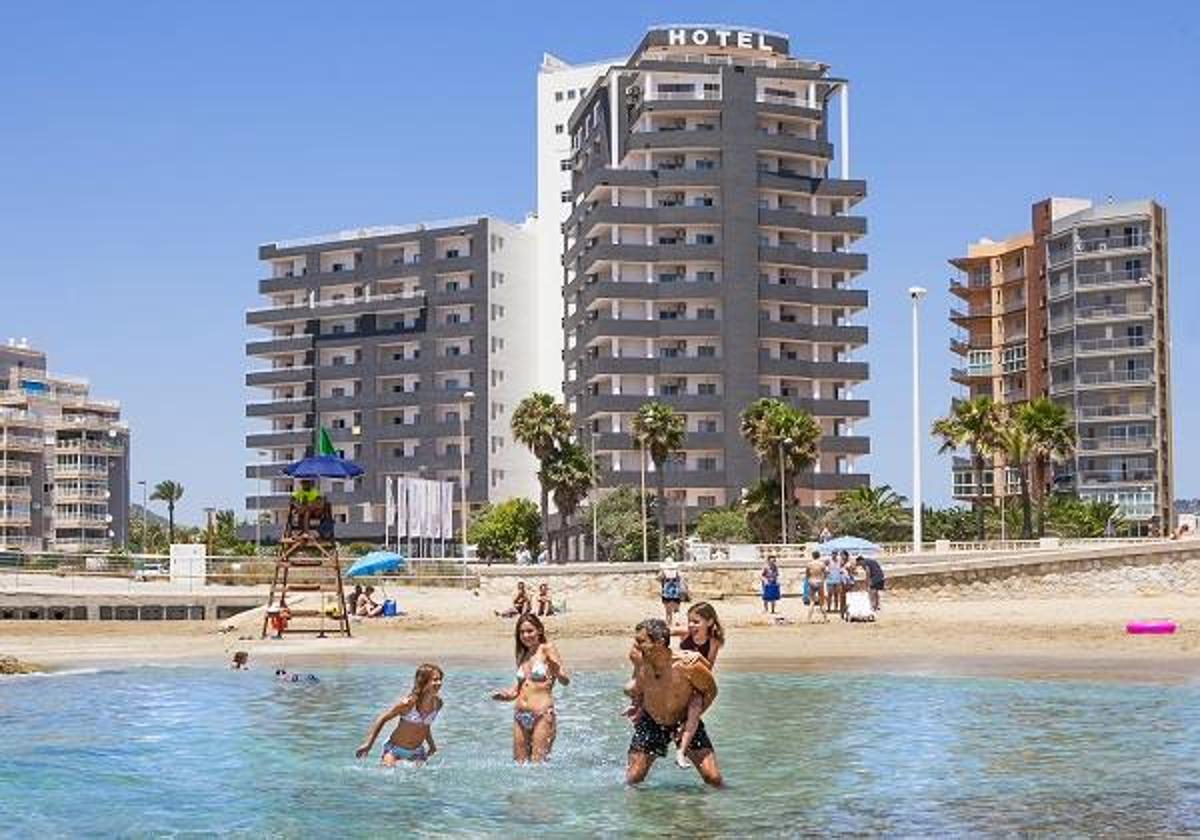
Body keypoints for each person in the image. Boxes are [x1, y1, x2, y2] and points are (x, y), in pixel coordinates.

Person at [625, 617, 721, 787]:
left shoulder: (687, 666)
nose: (636, 645)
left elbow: (711, 690)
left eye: (641, 641)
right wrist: (636, 701)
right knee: (633, 779)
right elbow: (638, 683)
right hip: (651, 721)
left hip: (682, 720)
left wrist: (692, 719)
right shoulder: (639, 658)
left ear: (660, 642)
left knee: (713, 779)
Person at [490, 614, 569, 763]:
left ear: (539, 630)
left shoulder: (547, 649)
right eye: (522, 632)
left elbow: (565, 681)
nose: (526, 635)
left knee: (537, 767)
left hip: (542, 715)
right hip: (519, 715)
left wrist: (556, 669)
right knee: (518, 766)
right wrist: (505, 695)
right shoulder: (522, 655)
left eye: (530, 631)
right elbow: (517, 690)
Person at [671, 602, 725, 768]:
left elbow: (709, 668)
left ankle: (681, 751)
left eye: (696, 621)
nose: (692, 625)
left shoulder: (713, 641)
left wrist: (698, 657)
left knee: (694, 710)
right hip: (678, 680)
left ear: (709, 622)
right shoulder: (685, 633)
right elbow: (663, 633)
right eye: (690, 621)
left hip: (696, 685)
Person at [356, 663, 443, 766]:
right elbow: (383, 718)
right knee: (387, 775)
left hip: (417, 751)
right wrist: (368, 744)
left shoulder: (437, 704)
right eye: (435, 679)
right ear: (424, 681)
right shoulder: (408, 704)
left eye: (440, 679)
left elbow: (425, 726)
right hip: (394, 750)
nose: (439, 683)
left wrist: (432, 746)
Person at [658, 559, 685, 625]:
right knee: (677, 609)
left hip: (666, 592)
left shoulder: (664, 571)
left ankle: (669, 623)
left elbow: (658, 578)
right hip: (676, 591)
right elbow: (681, 578)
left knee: (668, 610)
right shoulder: (677, 571)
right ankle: (677, 621)